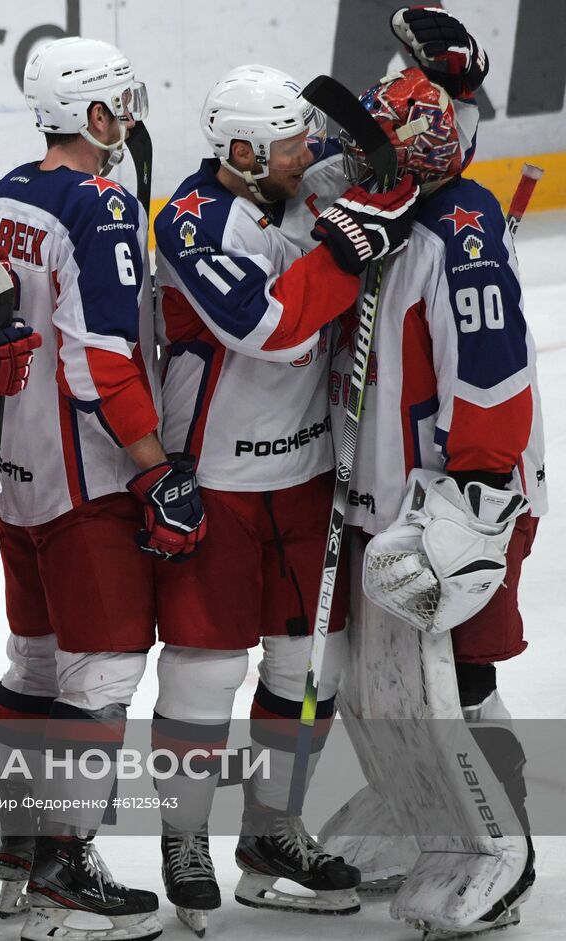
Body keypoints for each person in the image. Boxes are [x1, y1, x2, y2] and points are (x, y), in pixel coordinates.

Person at [147, 48, 429, 924]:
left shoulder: (296, 189)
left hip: (308, 475)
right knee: (204, 674)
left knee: (311, 665)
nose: (307, 153)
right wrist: (347, 249)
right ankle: (183, 836)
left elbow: (383, 165)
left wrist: (396, 149)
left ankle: (273, 827)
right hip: (218, 480)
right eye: (288, 144)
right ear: (238, 153)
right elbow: (265, 325)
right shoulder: (189, 220)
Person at [0, 36, 193, 940]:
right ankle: (64, 862)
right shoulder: (99, 205)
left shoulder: (5, 192)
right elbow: (102, 359)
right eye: (119, 102)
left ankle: (22, 853)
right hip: (86, 475)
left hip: (12, 476)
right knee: (101, 669)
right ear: (94, 117)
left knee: (35, 662)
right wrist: (154, 468)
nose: (130, 114)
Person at [325, 59, 544, 939]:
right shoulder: (392, 211)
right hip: (385, 490)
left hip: (455, 493)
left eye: (379, 141)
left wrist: (481, 491)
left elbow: (492, 368)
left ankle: (501, 827)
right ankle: (417, 804)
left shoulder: (462, 227)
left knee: (458, 665)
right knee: (383, 681)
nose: (358, 153)